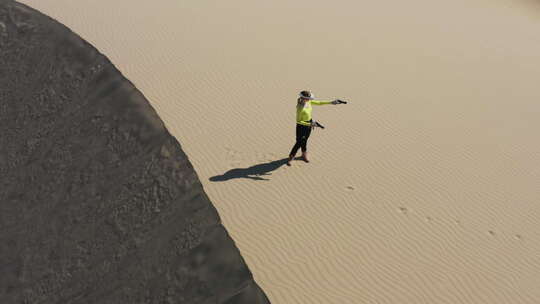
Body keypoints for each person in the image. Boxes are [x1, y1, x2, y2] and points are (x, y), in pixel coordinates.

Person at [287, 90, 343, 166]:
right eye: (308, 98)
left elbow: (319, 103)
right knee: (299, 142)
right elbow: (299, 121)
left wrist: (331, 102)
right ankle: (291, 156)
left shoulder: (308, 102)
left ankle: (304, 153)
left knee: (305, 139)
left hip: (309, 124)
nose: (310, 99)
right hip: (301, 126)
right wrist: (310, 124)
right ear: (303, 98)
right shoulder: (300, 108)